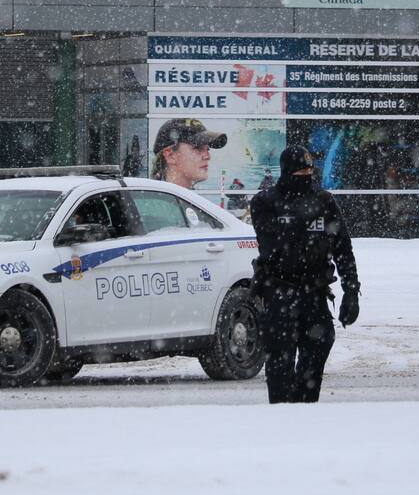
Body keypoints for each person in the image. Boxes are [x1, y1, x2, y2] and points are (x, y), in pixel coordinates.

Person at [249, 145, 360, 404]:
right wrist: (302, 218)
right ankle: (282, 415)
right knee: (280, 364)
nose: (306, 177)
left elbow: (343, 248)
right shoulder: (265, 202)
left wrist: (351, 291)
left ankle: (306, 410)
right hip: (279, 293)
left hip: (314, 293)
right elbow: (274, 244)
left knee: (318, 351)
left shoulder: (324, 201)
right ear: (287, 172)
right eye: (300, 172)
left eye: (310, 171)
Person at [150, 118, 227, 190]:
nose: (207, 156)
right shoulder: (154, 198)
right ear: (170, 155)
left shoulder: (158, 196)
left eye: (207, 149)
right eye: (198, 148)